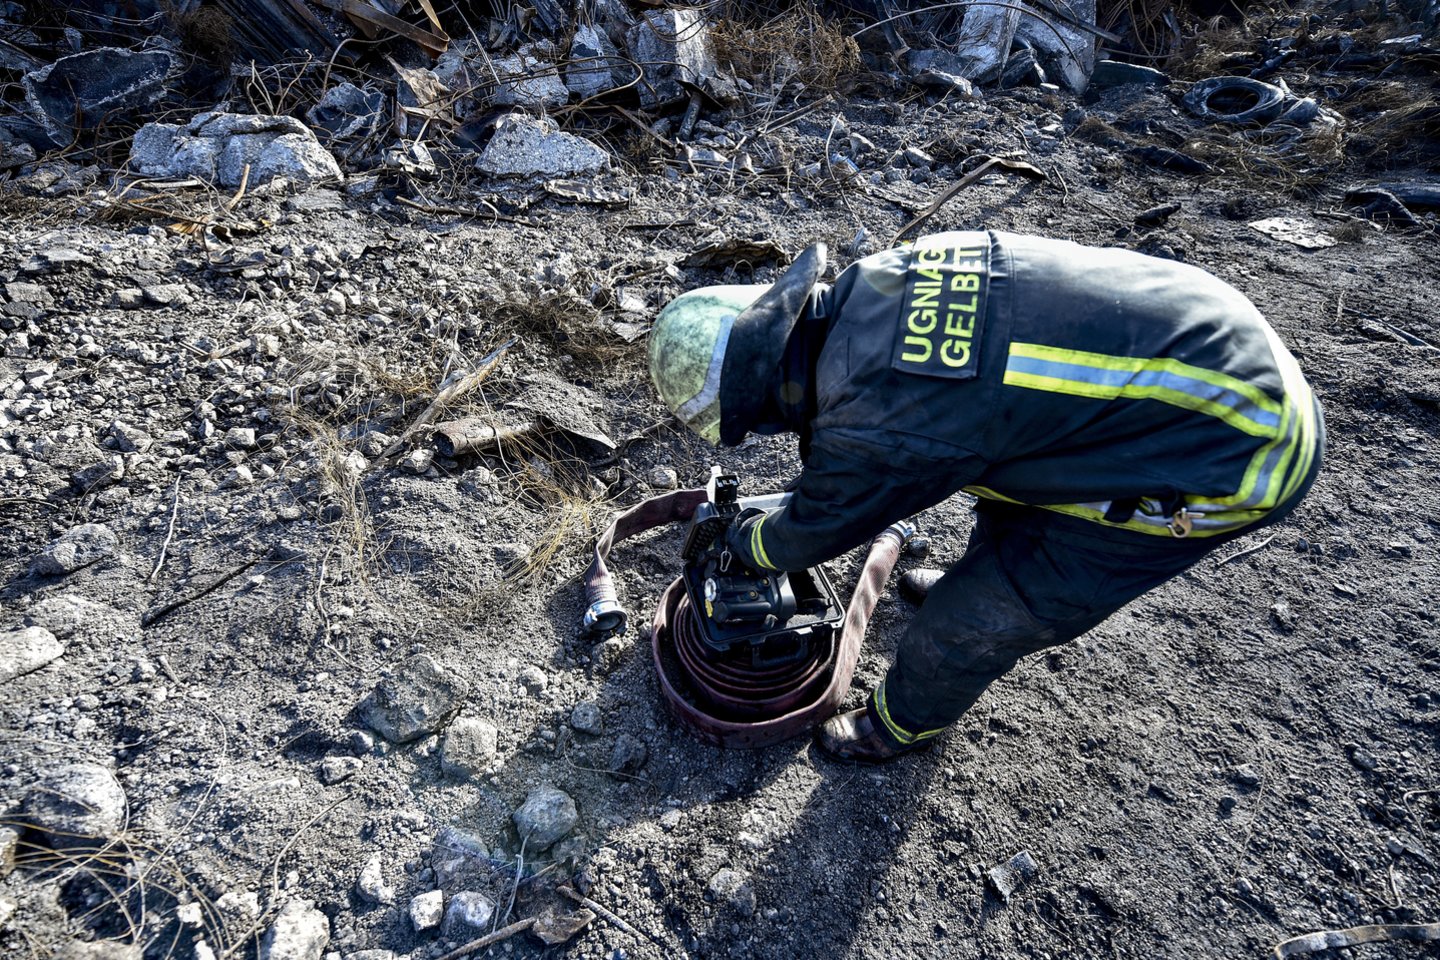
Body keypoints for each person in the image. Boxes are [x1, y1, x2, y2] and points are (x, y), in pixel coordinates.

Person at [647, 231, 1324, 763]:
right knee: (1008, 476)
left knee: (986, 611)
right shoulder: (879, 282)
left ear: (767, 389)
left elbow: (823, 522)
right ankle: (976, 574)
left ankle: (899, 726)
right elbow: (958, 417)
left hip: (1239, 448)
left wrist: (749, 544)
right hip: (1211, 343)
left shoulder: (877, 424)